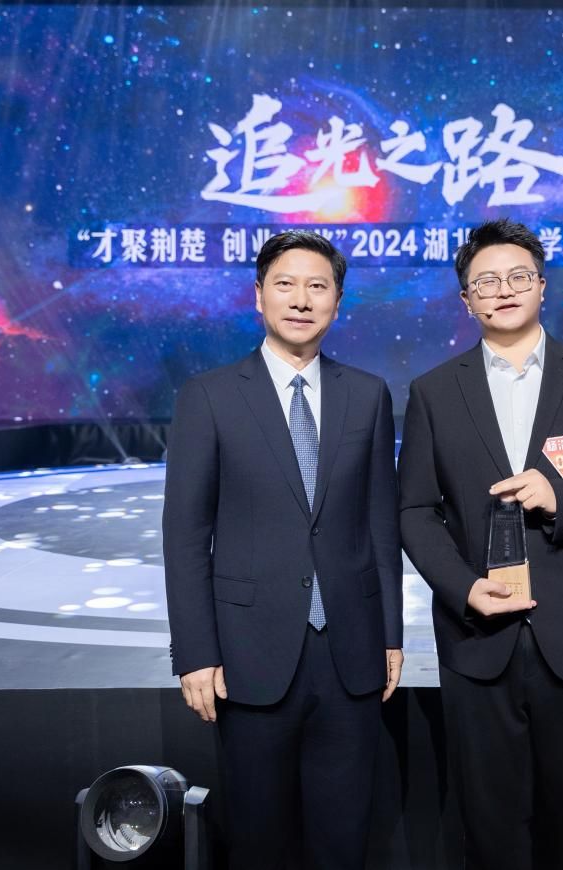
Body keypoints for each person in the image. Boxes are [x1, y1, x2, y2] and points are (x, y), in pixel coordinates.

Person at [398, 219, 563, 869]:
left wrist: (561, 499)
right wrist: (463, 588)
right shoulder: (433, 392)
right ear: (467, 300)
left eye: (519, 276)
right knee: (489, 829)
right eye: (486, 281)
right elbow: (413, 511)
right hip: (479, 637)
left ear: (543, 286)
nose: (505, 289)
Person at [162, 230, 403, 870]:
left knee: (344, 841)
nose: (301, 300)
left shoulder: (368, 394)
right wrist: (196, 651)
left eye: (317, 286)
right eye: (286, 285)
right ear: (259, 296)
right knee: (259, 843)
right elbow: (185, 536)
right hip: (248, 654)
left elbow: (381, 524)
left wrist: (390, 636)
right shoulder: (209, 396)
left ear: (337, 301)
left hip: (351, 652)